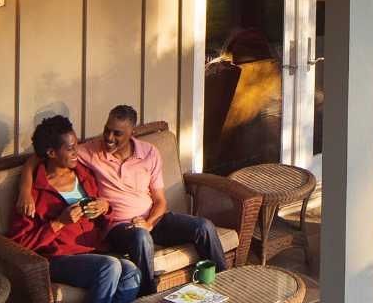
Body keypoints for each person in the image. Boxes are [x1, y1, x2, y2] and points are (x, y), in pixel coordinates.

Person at [18, 105, 229, 292]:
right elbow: (41, 155)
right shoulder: (89, 151)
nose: (109, 138)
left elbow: (160, 201)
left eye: (117, 134)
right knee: (140, 237)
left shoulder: (149, 153)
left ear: (132, 133)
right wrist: (25, 190)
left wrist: (148, 223)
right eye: (107, 130)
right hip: (120, 227)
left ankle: (225, 284)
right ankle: (147, 296)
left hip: (152, 219)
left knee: (204, 226)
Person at [6, 114, 141, 303]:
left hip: (92, 253)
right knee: (111, 266)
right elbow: (20, 245)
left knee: (131, 271)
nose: (76, 152)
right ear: (51, 153)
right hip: (57, 260)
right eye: (70, 148)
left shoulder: (84, 175)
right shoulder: (33, 194)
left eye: (77, 145)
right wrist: (58, 223)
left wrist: (103, 208)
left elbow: (105, 218)